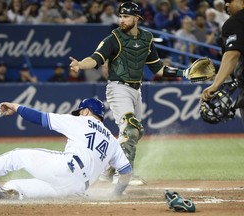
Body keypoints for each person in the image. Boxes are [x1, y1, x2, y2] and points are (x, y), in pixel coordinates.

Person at [69, 1, 187, 185]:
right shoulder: (114, 38)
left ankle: (108, 171)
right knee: (130, 128)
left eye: (126, 16)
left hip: (136, 89)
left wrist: (184, 73)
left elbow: (158, 68)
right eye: (121, 16)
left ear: (137, 18)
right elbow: (96, 59)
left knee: (134, 133)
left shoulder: (147, 38)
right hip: (118, 87)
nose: (122, 20)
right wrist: (80, 65)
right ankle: (123, 176)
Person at [0, 98, 132, 199]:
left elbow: (40, 118)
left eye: (80, 111)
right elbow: (126, 171)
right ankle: (16, 194)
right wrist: (116, 193)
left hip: (67, 168)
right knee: (15, 185)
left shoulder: (81, 120)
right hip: (76, 188)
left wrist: (16, 107)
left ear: (86, 111)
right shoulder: (112, 139)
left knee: (15, 157)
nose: (79, 113)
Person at [202, 0, 244, 118]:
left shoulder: (236, 21)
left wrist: (216, 84)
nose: (226, 5)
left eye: (230, 1)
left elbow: (232, 55)